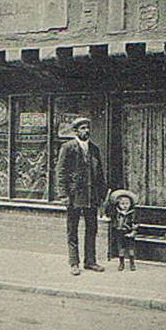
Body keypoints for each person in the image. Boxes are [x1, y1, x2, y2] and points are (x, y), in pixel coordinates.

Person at [56, 116, 106, 276]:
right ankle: (74, 263)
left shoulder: (94, 149)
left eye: (87, 128)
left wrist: (102, 196)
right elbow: (61, 172)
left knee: (92, 229)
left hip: (92, 197)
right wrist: (63, 194)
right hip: (74, 196)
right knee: (72, 230)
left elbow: (100, 175)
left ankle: (90, 261)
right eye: (83, 128)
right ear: (76, 131)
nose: (86, 131)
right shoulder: (68, 147)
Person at [109, 189, 138, 270]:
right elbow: (113, 220)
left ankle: (132, 263)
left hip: (129, 232)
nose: (125, 206)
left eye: (127, 203)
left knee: (131, 248)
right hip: (119, 233)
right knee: (121, 248)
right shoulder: (117, 213)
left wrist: (133, 231)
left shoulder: (132, 213)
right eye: (122, 204)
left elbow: (135, 223)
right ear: (118, 204)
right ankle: (121, 263)